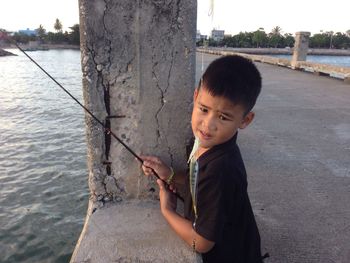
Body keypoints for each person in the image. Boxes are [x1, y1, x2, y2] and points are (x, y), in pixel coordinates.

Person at [142, 55, 265, 262]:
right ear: (196, 96)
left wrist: (167, 210)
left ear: (245, 120)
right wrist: (170, 175)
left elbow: (201, 243)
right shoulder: (204, 143)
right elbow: (197, 175)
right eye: (204, 109)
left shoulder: (221, 170)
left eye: (223, 117)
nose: (207, 125)